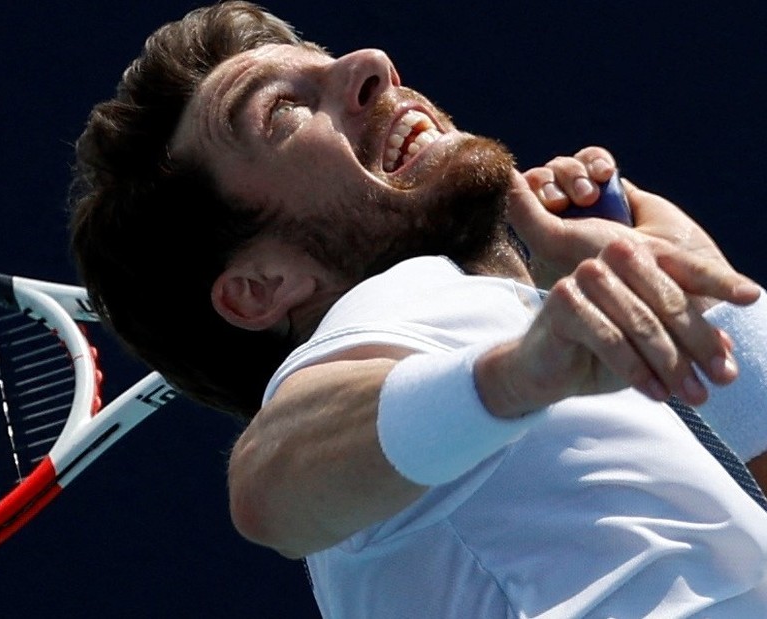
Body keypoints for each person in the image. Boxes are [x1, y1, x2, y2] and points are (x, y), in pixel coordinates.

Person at [69, 2, 767, 616]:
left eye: (327, 61)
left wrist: (713, 314)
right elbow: (267, 487)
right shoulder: (384, 312)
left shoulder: (488, 359)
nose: (371, 64)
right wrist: (516, 373)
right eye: (281, 110)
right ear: (260, 287)